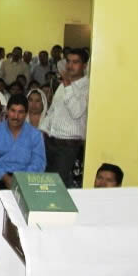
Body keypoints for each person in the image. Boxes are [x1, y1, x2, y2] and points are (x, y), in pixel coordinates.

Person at [0, 94, 46, 219]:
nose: (16, 116)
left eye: (20, 112)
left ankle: (14, 221)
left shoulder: (35, 135)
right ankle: (4, 220)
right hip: (1, 175)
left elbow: (39, 162)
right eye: (13, 111)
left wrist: (21, 179)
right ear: (7, 111)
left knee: (39, 196)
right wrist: (5, 177)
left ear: (26, 114)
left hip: (26, 176)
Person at [40, 48, 90, 188]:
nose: (70, 65)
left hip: (68, 147)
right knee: (45, 184)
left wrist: (67, 85)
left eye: (75, 62)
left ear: (84, 66)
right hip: (50, 142)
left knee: (57, 187)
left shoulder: (87, 87)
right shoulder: (63, 85)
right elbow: (52, 111)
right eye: (68, 61)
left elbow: (76, 112)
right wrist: (42, 131)